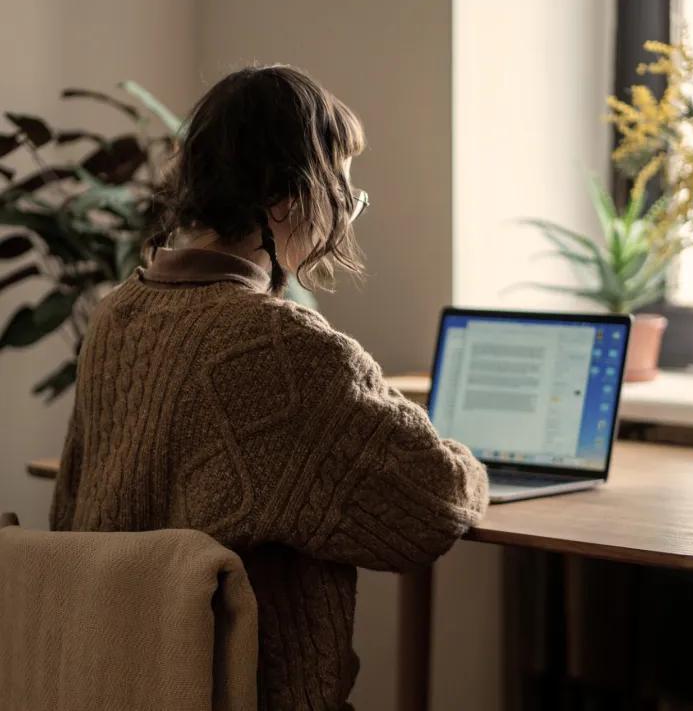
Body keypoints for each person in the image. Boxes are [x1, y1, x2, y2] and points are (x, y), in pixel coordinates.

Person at [51, 65, 489, 711]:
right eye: (342, 190)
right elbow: (433, 506)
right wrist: (471, 462)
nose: (343, 212)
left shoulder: (118, 314)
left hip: (111, 683)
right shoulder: (277, 345)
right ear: (286, 198)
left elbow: (66, 515)